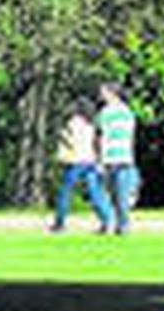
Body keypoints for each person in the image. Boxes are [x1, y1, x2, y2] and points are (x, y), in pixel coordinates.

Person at [49, 99, 115, 234]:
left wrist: (62, 137)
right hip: (90, 160)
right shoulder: (91, 124)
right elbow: (96, 143)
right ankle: (107, 221)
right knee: (95, 192)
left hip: (75, 160)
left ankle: (60, 222)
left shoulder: (72, 123)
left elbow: (69, 141)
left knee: (66, 192)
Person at [96, 83, 140, 235]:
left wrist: (99, 159)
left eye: (103, 92)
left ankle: (116, 224)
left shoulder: (105, 113)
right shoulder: (128, 112)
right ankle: (122, 225)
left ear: (112, 93)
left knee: (111, 194)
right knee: (120, 195)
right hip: (125, 157)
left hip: (111, 157)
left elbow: (102, 137)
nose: (101, 95)